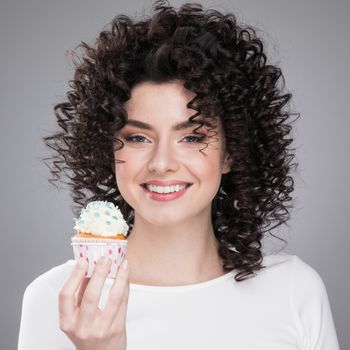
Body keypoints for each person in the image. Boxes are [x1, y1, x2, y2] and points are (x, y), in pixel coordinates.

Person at [18, 1, 340, 349]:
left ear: (231, 152)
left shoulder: (294, 291)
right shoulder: (59, 301)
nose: (162, 162)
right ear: (108, 149)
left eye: (191, 137)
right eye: (138, 137)